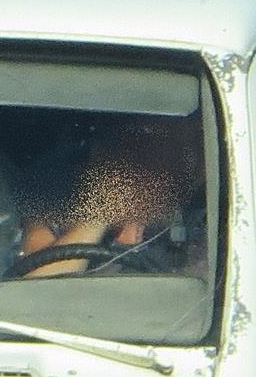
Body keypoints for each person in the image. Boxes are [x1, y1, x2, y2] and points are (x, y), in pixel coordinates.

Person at [14, 119, 199, 278]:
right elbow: (37, 286)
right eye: (131, 143)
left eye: (163, 145)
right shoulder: (52, 198)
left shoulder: (198, 216)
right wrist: (100, 214)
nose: (143, 158)